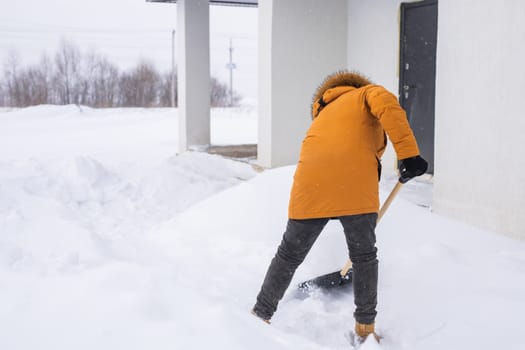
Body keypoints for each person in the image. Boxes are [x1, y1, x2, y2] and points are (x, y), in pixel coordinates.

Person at [251, 71, 428, 342]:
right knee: (364, 256)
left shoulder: (322, 117)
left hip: (310, 187)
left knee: (288, 255)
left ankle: (258, 316)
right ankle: (365, 330)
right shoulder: (367, 93)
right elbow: (388, 104)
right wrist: (409, 154)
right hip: (354, 184)